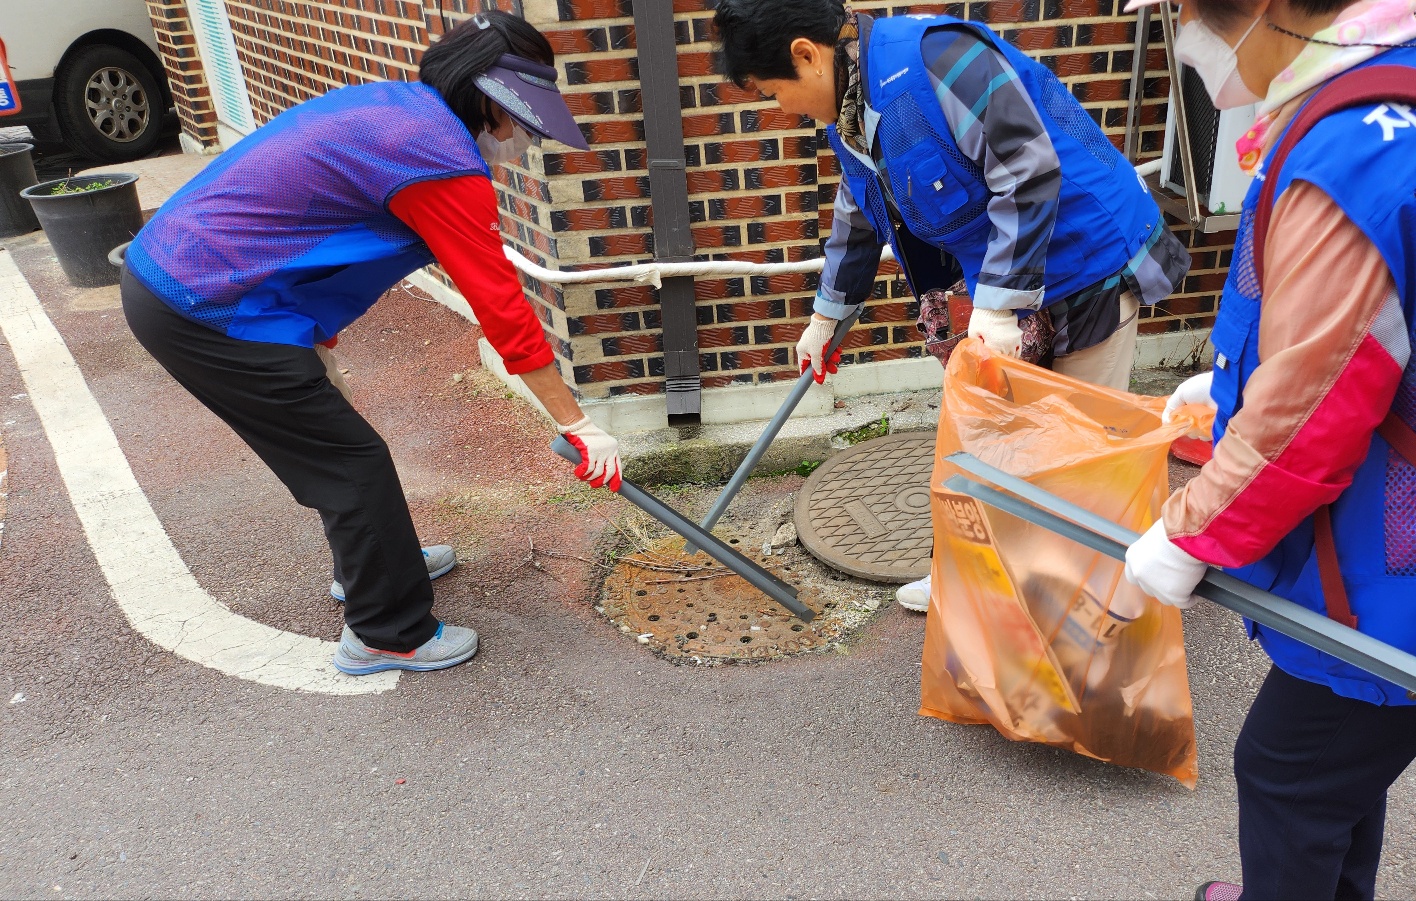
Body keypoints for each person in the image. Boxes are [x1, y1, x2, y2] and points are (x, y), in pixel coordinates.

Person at [1117, 1, 1416, 899]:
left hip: (1402, 565)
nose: (1181, 33)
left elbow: (1303, 424)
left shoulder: (1345, 160)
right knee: (1335, 777)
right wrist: (1231, 385)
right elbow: (1414, 317)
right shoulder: (1415, 87)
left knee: (1287, 774)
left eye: (1185, 9)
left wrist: (1183, 534)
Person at [120, 11, 624, 677]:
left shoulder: (402, 112)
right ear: (487, 102)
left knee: (335, 448)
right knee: (349, 463)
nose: (524, 140)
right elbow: (501, 305)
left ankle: (382, 566)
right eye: (521, 121)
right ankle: (387, 632)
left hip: (199, 277)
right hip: (204, 304)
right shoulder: (439, 164)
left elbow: (308, 220)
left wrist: (313, 340)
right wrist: (575, 422)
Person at [712, 0, 1191, 613]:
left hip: (1085, 259)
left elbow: (1027, 170)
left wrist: (999, 305)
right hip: (1002, 277)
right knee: (986, 432)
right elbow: (859, 211)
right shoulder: (850, 111)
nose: (781, 108)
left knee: (1078, 448)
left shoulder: (941, 58)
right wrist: (827, 317)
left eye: (772, 91)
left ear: (806, 55)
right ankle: (976, 581)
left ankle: (1089, 609)